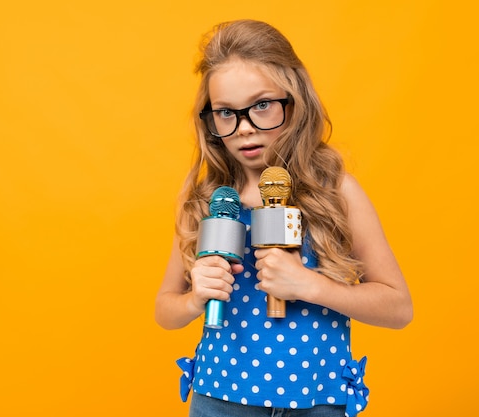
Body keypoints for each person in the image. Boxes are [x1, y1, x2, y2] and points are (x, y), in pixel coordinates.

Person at [155, 19, 413, 417]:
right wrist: (194, 299)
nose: (244, 129)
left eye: (261, 105)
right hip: (220, 400)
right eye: (225, 113)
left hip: (316, 402)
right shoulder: (206, 201)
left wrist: (311, 285)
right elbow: (164, 310)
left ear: (295, 100)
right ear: (208, 118)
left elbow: (398, 309)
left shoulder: (335, 190)